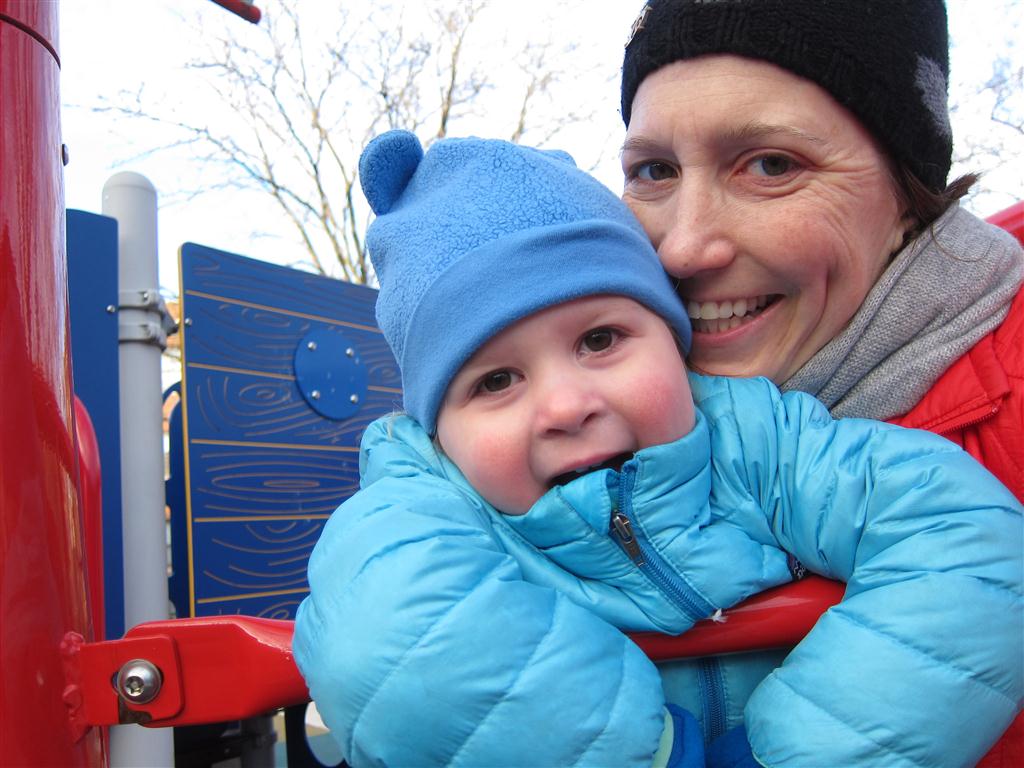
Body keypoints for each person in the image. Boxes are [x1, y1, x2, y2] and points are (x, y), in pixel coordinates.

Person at [292, 130, 1023, 767]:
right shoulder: (427, 507)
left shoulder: (756, 443)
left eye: (600, 339)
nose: (567, 405)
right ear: (437, 429)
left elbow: (968, 540)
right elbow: (395, 644)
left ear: (676, 343)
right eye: (496, 381)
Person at [618, 1, 1024, 762]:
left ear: (908, 196)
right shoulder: (583, 404)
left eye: (770, 164)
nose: (682, 247)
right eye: (654, 171)